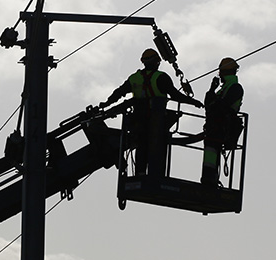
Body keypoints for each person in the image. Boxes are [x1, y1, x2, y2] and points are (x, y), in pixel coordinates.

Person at [100, 48, 203, 176]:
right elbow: (176, 95)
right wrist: (193, 102)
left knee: (141, 146)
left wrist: (106, 103)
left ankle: (140, 173)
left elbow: (119, 92)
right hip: (156, 121)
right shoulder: (161, 78)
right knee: (155, 147)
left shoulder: (135, 78)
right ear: (157, 62)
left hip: (138, 120)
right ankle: (155, 176)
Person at [201, 57, 244, 186]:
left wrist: (214, 102)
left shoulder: (235, 88)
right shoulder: (223, 89)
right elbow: (208, 105)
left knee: (212, 153)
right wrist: (211, 90)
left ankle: (210, 180)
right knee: (210, 154)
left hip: (223, 127)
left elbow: (222, 106)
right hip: (214, 127)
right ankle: (208, 179)